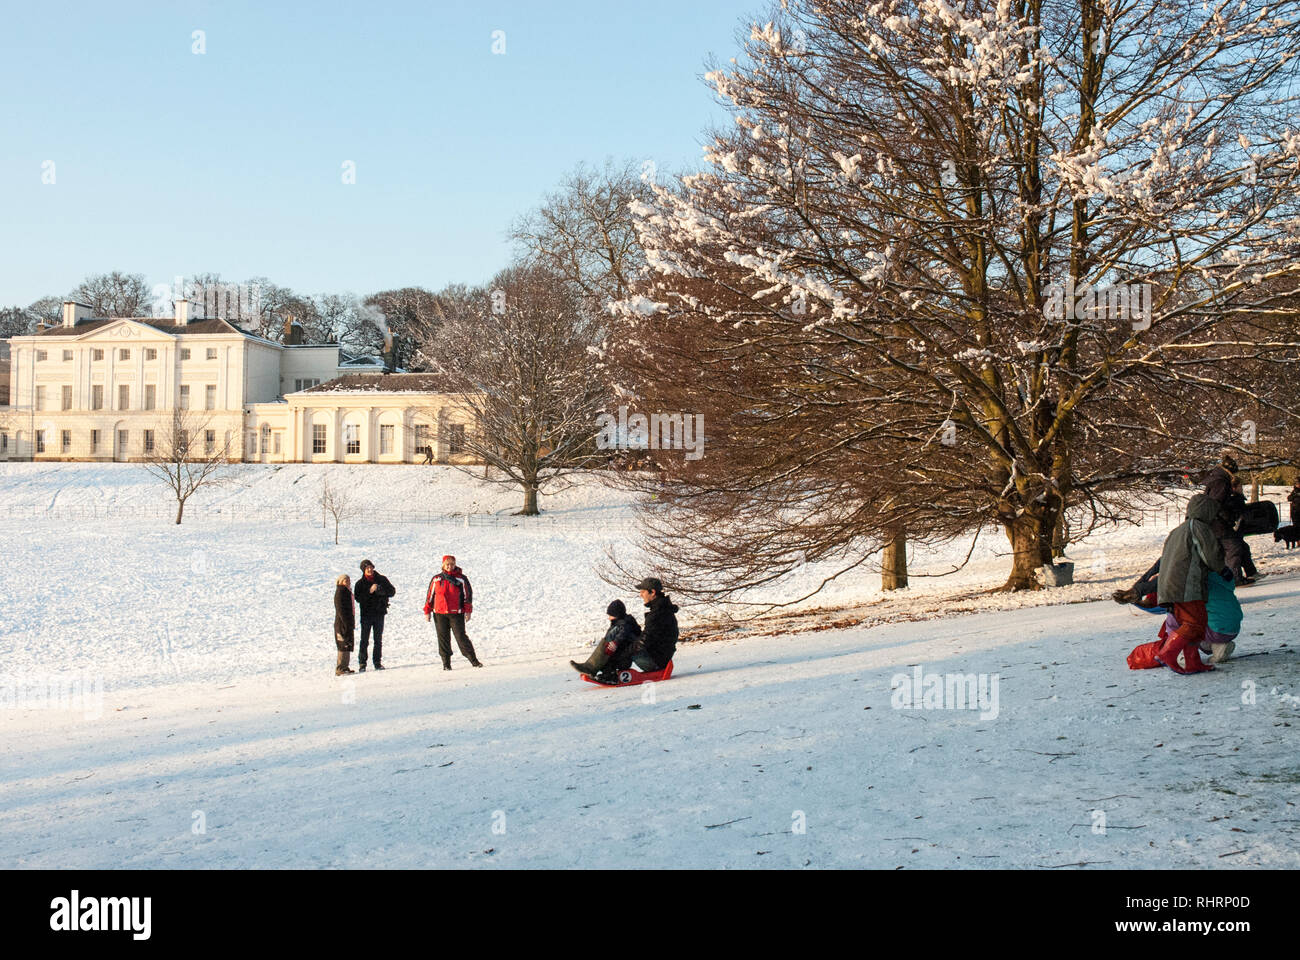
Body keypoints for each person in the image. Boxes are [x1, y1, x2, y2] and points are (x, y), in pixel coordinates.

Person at [1153, 493, 1226, 674]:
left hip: (1170, 585)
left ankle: (1193, 661)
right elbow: (1210, 554)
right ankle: (1167, 653)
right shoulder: (1199, 528)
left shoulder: (1178, 530)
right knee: (1195, 623)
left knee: (1192, 624)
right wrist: (1221, 568)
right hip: (1187, 585)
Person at [423, 554, 482, 670]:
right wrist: (427, 611)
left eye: (452, 564)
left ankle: (473, 660)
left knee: (461, 637)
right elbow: (430, 596)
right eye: (447, 564)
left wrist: (468, 611)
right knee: (443, 638)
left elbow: (467, 596)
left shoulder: (461, 579)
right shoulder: (436, 579)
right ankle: (446, 664)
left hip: (456, 613)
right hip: (439, 613)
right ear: (443, 565)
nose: (450, 566)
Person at [570, 600, 642, 679]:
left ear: (617, 615)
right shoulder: (620, 623)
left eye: (611, 615)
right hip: (622, 654)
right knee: (607, 648)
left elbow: (623, 633)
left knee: (609, 649)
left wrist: (615, 642)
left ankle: (591, 668)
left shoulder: (625, 624)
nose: (609, 618)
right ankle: (597, 669)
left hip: (625, 657)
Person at [354, 559, 395, 671]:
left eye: (371, 567)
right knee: (364, 640)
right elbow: (358, 598)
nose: (370, 569)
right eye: (367, 568)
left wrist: (381, 590)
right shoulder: (359, 583)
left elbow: (392, 591)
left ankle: (377, 662)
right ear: (363, 570)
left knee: (378, 640)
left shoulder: (381, 579)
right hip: (366, 615)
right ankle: (362, 664)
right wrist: (370, 591)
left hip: (379, 613)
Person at [334, 574, 356, 676]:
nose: (347, 581)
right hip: (342, 623)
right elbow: (340, 609)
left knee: (347, 643)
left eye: (348, 580)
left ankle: (345, 667)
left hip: (347, 622)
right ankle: (340, 668)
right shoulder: (340, 592)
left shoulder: (347, 592)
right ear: (340, 581)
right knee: (343, 644)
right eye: (345, 580)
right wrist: (346, 622)